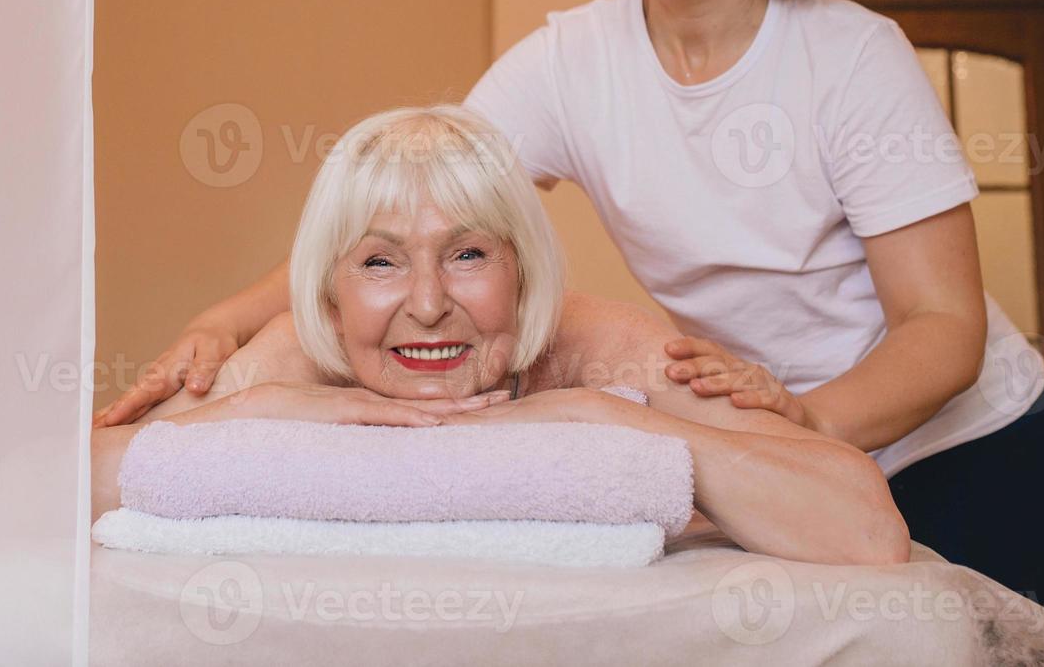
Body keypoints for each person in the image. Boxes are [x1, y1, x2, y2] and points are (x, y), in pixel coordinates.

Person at [95, 0, 1044, 609]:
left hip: (960, 439)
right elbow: (414, 208)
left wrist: (799, 426)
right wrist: (221, 326)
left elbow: (941, 329)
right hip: (766, 429)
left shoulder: (849, 60)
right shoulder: (571, 62)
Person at [92, 105, 910, 567]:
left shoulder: (606, 347)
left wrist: (611, 418)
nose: (426, 303)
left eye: (468, 254)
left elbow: (865, 530)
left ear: (522, 273)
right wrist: (253, 409)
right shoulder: (294, 357)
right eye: (380, 262)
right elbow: (48, 490)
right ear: (330, 296)